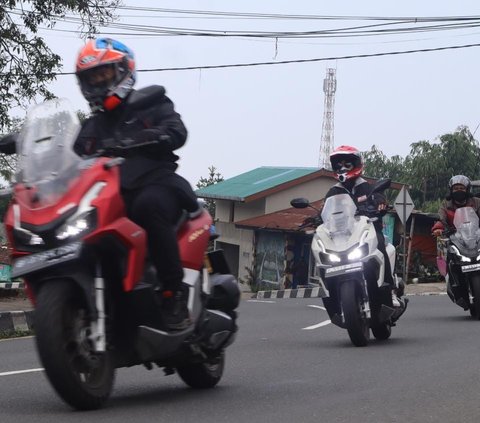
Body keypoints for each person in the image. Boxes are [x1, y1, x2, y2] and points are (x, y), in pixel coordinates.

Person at [73, 38, 198, 331]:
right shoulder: (90, 126)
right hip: (108, 195)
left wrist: (152, 135)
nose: (98, 82)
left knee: (148, 206)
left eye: (103, 74)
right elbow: (69, 155)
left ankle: (172, 294)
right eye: (91, 77)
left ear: (123, 71)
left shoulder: (152, 103)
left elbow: (176, 130)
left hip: (155, 182)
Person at [326, 145, 400, 306]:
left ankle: (391, 290)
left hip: (368, 230)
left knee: (380, 243)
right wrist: (314, 218)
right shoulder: (334, 191)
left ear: (357, 164)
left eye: (347, 165)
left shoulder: (366, 187)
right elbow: (325, 210)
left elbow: (379, 197)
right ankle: (331, 293)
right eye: (339, 165)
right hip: (343, 235)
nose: (342, 168)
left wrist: (380, 204)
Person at [431, 175, 480, 308]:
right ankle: (456, 287)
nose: (459, 190)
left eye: (462, 188)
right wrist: (438, 229)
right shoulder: (446, 205)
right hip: (456, 238)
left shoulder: (476, 202)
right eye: (456, 188)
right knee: (451, 261)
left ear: (467, 189)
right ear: (451, 190)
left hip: (476, 237)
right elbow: (441, 220)